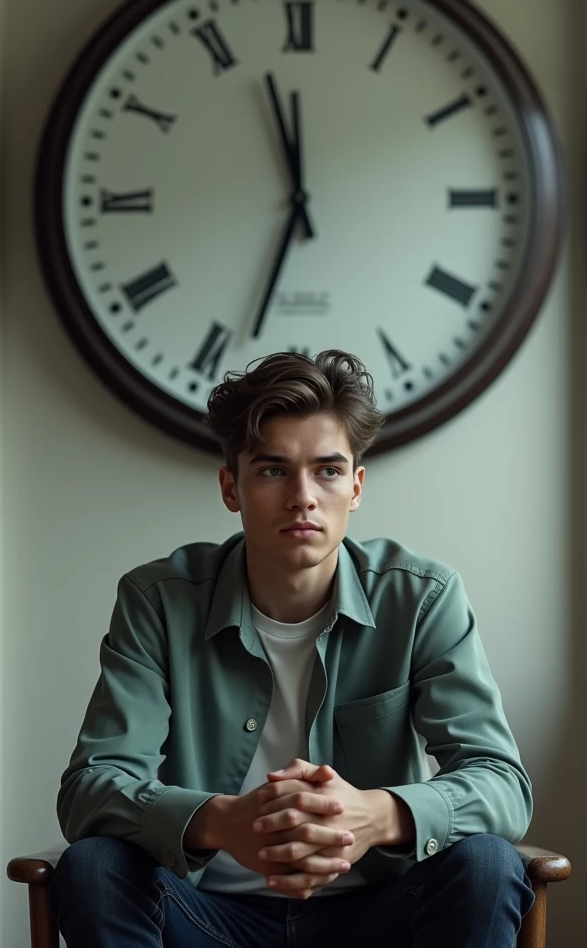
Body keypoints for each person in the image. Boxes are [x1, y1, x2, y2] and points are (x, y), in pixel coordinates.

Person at [49, 350, 535, 947]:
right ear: (232, 486)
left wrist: (376, 815)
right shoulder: (157, 601)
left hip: (376, 916)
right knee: (94, 867)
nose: (303, 496)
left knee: (487, 864)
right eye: (274, 470)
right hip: (207, 917)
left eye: (328, 471)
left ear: (356, 488)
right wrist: (225, 822)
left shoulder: (423, 599)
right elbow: (92, 786)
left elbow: (501, 781)